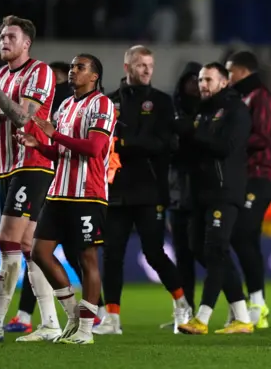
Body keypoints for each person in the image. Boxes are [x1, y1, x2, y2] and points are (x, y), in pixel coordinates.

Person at [0, 15, 61, 343]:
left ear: (26, 43)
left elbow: (23, 116)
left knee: (6, 240)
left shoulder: (40, 72)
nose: (3, 41)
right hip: (5, 167)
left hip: (32, 164)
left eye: (10, 36)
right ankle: (50, 323)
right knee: (27, 246)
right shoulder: (1, 74)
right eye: (2, 35)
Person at [15, 53, 116, 345]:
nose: (72, 71)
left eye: (79, 67)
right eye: (72, 67)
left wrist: (53, 135)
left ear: (94, 76)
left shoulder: (102, 104)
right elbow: (62, 154)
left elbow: (95, 148)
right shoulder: (66, 105)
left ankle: (86, 331)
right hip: (59, 192)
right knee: (39, 253)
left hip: (89, 195)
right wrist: (40, 145)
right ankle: (73, 315)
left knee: (87, 260)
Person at [95, 45, 191, 335]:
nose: (147, 69)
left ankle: (182, 305)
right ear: (127, 68)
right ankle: (112, 319)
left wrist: (125, 143)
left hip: (151, 191)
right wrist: (137, 142)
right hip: (118, 190)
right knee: (112, 254)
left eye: (150, 64)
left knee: (154, 253)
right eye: (140, 64)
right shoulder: (110, 102)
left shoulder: (162, 102)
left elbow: (163, 144)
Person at [175, 63, 253, 335]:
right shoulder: (201, 111)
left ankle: (203, 317)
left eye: (208, 79)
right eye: (200, 79)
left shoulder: (236, 110)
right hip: (199, 193)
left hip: (225, 191)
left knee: (216, 250)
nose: (202, 84)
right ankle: (242, 318)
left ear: (223, 82)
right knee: (201, 249)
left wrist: (191, 132)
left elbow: (225, 147)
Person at [224, 51, 271, 328]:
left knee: (239, 233)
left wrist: (231, 141)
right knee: (247, 237)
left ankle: (255, 302)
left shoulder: (260, 96)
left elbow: (264, 135)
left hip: (260, 175)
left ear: (243, 71)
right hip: (244, 177)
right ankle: (258, 304)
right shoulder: (239, 98)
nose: (227, 76)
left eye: (230, 71)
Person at [160, 61, 202, 330]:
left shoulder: (212, 111)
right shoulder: (170, 111)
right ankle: (186, 312)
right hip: (177, 195)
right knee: (184, 256)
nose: (194, 85)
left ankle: (237, 306)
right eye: (191, 79)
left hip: (204, 193)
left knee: (209, 252)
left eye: (199, 80)